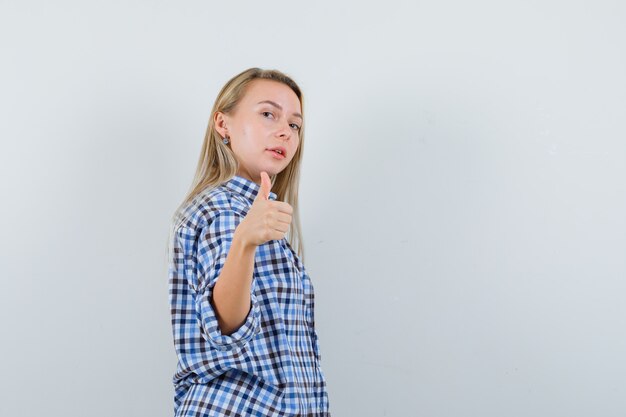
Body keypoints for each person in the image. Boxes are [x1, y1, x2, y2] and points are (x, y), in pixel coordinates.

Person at [166, 67, 331, 416]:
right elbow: (225, 326)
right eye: (268, 114)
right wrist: (244, 240)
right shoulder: (226, 210)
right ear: (223, 124)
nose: (285, 131)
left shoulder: (253, 210)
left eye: (294, 125)